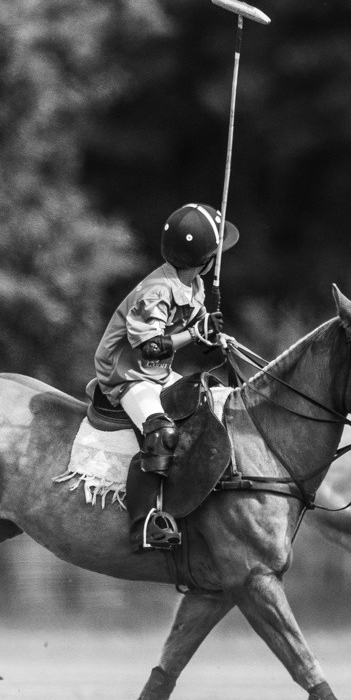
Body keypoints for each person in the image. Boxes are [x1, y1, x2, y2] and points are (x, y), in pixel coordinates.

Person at [92, 203, 236, 549]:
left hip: (156, 374)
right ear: (205, 258)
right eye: (216, 253)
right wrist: (196, 332)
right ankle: (145, 524)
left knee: (213, 402)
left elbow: (197, 332)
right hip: (127, 375)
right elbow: (152, 348)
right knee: (162, 432)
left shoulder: (193, 285)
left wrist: (215, 335)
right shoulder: (154, 292)